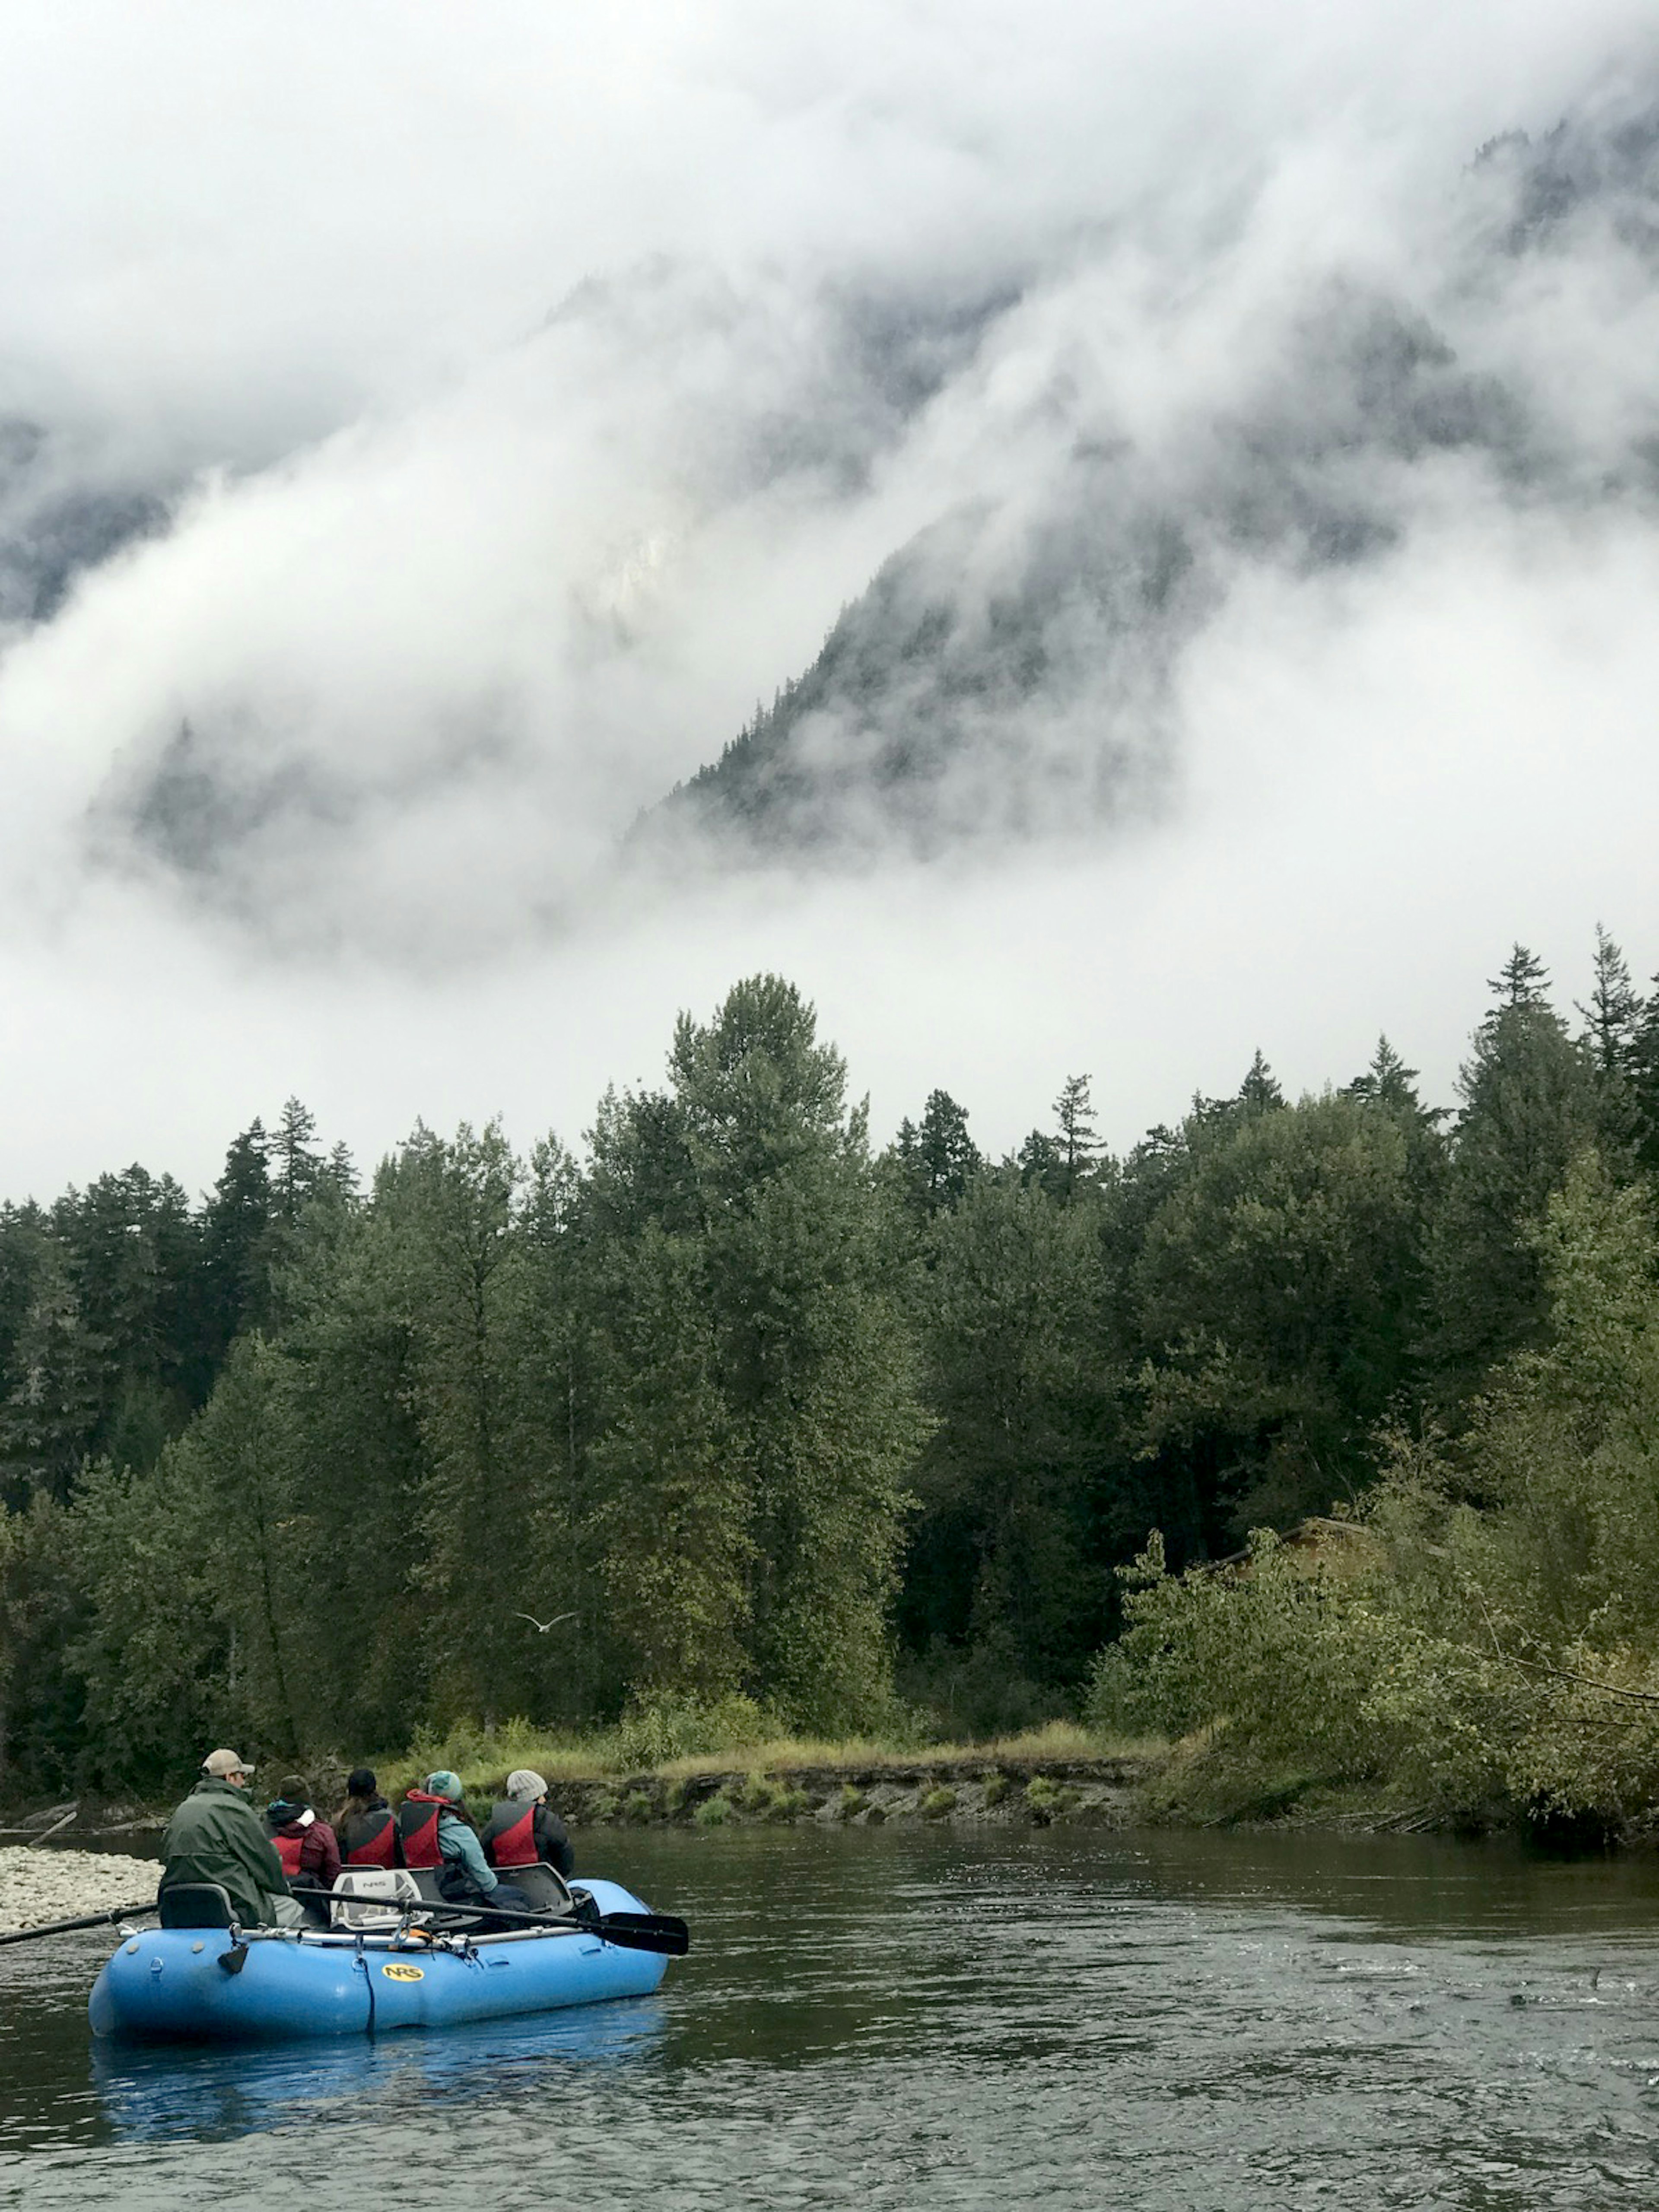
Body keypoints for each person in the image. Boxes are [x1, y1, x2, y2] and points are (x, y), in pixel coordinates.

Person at [160, 1748, 303, 1928]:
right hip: (232, 1904)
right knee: (292, 1909)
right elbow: (265, 1863)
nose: (244, 1781)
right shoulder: (236, 1810)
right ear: (230, 1778)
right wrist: (284, 1891)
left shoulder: (183, 1809)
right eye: (241, 1775)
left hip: (179, 1905)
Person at [397, 1770, 538, 1916]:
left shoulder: (409, 1826)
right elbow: (486, 1882)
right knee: (519, 1896)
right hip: (454, 1899)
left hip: (420, 1899)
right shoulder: (459, 1832)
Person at [481, 1768, 575, 1879]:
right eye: (542, 1795)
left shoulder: (495, 1824)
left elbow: (484, 1859)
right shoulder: (548, 1820)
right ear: (534, 1796)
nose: (544, 1800)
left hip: (505, 1887)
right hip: (546, 1888)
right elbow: (566, 1865)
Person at [264, 1773, 342, 1892]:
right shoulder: (321, 1832)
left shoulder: (263, 1828)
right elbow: (333, 1871)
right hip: (312, 1900)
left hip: (274, 1899)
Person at [334, 1767, 402, 1867]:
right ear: (375, 1790)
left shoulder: (341, 1824)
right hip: (387, 1880)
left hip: (354, 1880)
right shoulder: (391, 1820)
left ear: (349, 1793)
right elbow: (401, 1861)